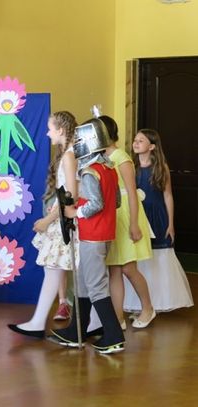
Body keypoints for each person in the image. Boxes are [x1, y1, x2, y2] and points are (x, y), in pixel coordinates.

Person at [48, 118, 125, 354]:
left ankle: (113, 335)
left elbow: (97, 203)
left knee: (96, 286)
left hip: (94, 235)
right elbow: (116, 201)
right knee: (82, 283)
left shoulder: (90, 171)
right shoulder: (109, 168)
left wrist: (76, 211)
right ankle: (76, 331)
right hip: (102, 233)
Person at [7, 111, 78, 338]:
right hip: (60, 218)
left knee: (54, 269)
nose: (48, 133)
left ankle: (38, 322)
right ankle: (37, 321)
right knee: (52, 270)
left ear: (61, 130)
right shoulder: (67, 155)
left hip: (64, 222)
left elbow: (72, 196)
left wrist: (48, 219)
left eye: (50, 129)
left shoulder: (69, 156)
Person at [123, 129, 193, 312]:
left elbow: (168, 196)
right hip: (138, 216)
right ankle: (138, 302)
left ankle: (160, 301)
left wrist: (171, 224)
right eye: (135, 140)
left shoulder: (161, 169)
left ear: (152, 146)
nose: (136, 143)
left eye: (141, 141)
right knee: (139, 257)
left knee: (158, 255)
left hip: (157, 216)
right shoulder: (131, 167)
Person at [99, 116, 155, 329]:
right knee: (114, 268)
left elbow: (131, 193)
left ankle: (148, 308)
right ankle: (117, 318)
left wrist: (134, 224)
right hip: (112, 215)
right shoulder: (102, 157)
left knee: (129, 268)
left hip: (126, 214)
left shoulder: (121, 157)